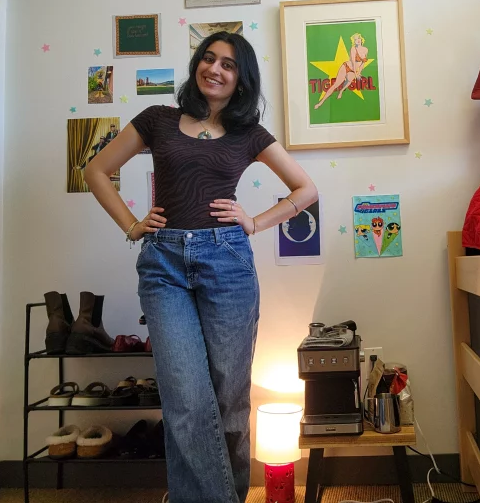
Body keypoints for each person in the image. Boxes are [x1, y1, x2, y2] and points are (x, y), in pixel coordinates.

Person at [84, 31, 318, 503]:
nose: (215, 68)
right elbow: (95, 169)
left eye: (228, 64)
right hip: (163, 263)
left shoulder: (249, 134)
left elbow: (305, 190)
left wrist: (254, 221)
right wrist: (132, 225)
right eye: (208, 59)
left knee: (229, 401)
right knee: (186, 399)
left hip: (226, 262)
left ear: (241, 79)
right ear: (197, 66)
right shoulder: (158, 119)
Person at [315, 32, 368, 109]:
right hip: (347, 67)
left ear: (361, 39)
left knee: (349, 81)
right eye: (355, 39)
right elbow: (353, 62)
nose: (358, 40)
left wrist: (359, 72)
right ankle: (320, 103)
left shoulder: (366, 50)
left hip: (354, 71)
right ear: (354, 41)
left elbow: (363, 62)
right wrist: (356, 74)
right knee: (336, 84)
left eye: (358, 38)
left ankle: (341, 91)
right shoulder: (353, 49)